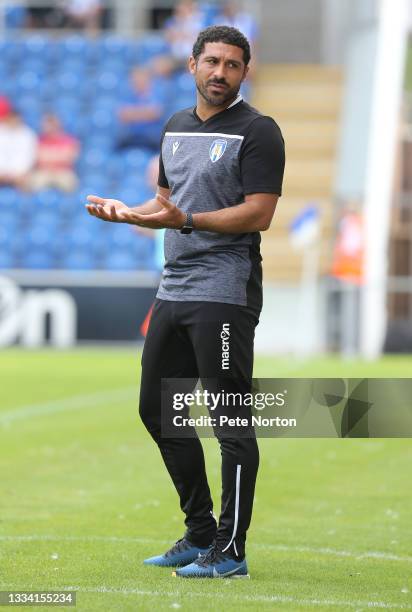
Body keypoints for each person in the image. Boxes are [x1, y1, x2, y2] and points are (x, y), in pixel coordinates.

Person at [85, 25, 285, 578]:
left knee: (230, 423)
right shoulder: (174, 126)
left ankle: (232, 550)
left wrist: (188, 221)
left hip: (224, 293)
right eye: (212, 62)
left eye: (232, 65)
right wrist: (130, 213)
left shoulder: (260, 131)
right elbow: (167, 204)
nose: (220, 73)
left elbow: (260, 212)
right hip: (174, 287)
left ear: (245, 71)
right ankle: (200, 534)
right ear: (193, 64)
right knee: (157, 408)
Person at [116, 67, 166, 153]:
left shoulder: (156, 94)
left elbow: (155, 113)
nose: (138, 82)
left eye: (141, 79)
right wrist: (144, 113)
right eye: (135, 80)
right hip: (130, 135)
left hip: (151, 136)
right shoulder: (128, 96)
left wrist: (133, 114)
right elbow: (122, 114)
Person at [27, 114, 80, 193]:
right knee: (33, 183)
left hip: (63, 172)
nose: (48, 127)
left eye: (51, 124)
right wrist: (57, 156)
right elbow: (37, 157)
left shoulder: (68, 140)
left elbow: (69, 158)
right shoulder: (39, 140)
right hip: (43, 171)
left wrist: (48, 157)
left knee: (69, 183)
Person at [0, 98, 37, 189]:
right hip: (1, 172)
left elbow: (30, 157)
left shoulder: (28, 135)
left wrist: (19, 174)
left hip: (21, 175)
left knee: (30, 184)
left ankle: (27, 203)